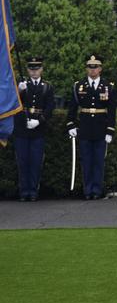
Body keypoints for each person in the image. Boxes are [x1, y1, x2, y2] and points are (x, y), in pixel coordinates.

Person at [67, 54, 117, 200]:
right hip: (85, 128)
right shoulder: (79, 86)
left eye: (95, 67)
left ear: (100, 69)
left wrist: (110, 130)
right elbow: (72, 108)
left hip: (101, 129)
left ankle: (97, 190)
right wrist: (70, 124)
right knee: (86, 160)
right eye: (90, 67)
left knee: (98, 161)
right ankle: (87, 190)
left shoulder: (108, 86)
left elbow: (112, 111)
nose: (93, 70)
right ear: (86, 69)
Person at [14, 57, 53, 201]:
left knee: (36, 162)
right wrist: (19, 92)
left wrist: (39, 121)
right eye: (31, 69)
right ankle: (24, 192)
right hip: (22, 129)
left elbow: (50, 108)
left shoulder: (47, 87)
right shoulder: (22, 85)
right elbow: (14, 105)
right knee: (23, 162)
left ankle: (33, 191)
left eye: (37, 69)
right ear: (28, 70)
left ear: (41, 69)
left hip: (38, 130)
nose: (34, 72)